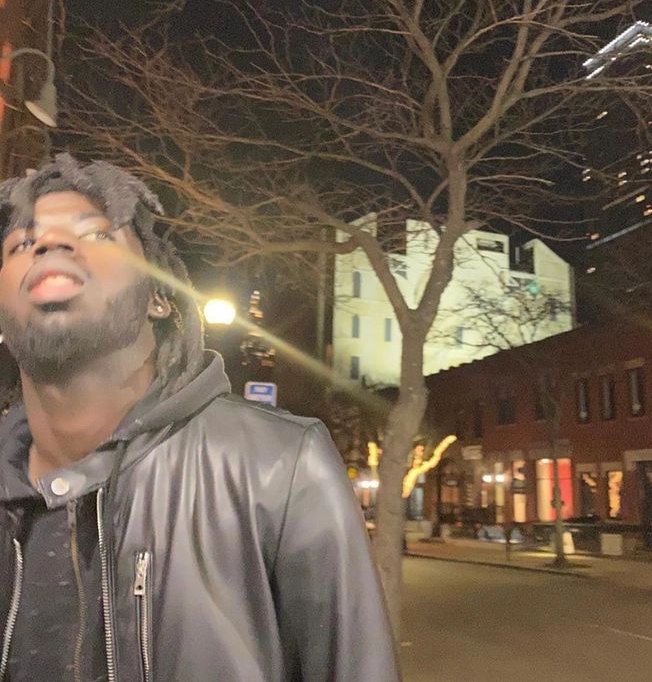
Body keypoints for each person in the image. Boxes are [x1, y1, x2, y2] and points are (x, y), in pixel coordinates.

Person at [0, 154, 399, 682]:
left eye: (96, 233)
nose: (50, 243)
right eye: (22, 243)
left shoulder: (281, 468)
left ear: (158, 297)